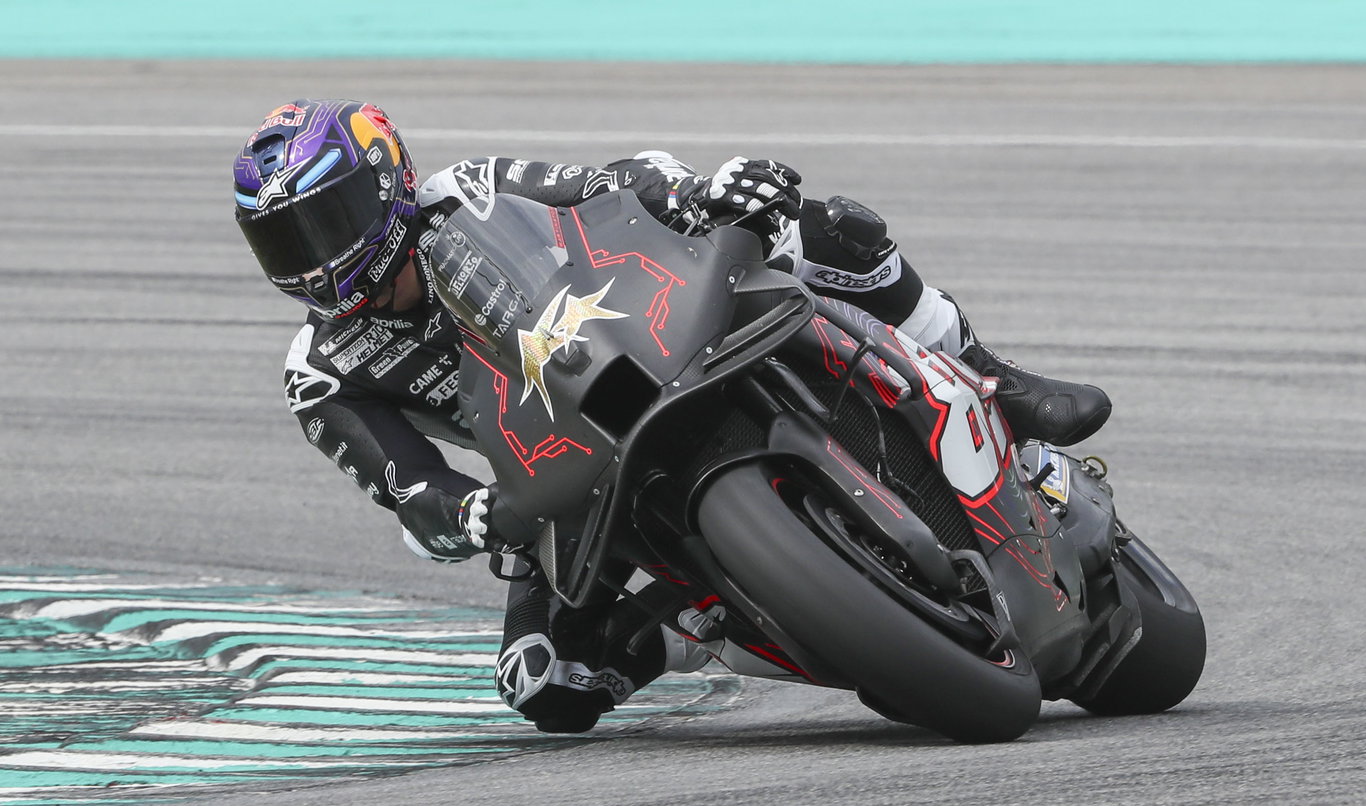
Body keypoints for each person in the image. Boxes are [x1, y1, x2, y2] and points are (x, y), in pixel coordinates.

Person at [233, 98, 1111, 732]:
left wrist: (700, 197)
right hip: (557, 473)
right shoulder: (320, 371)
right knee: (548, 687)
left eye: (328, 220)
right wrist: (464, 516)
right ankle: (711, 622)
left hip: (652, 330)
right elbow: (406, 484)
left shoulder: (468, 191)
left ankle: (987, 374)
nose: (317, 258)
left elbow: (605, 187)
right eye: (287, 241)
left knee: (822, 226)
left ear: (385, 180)